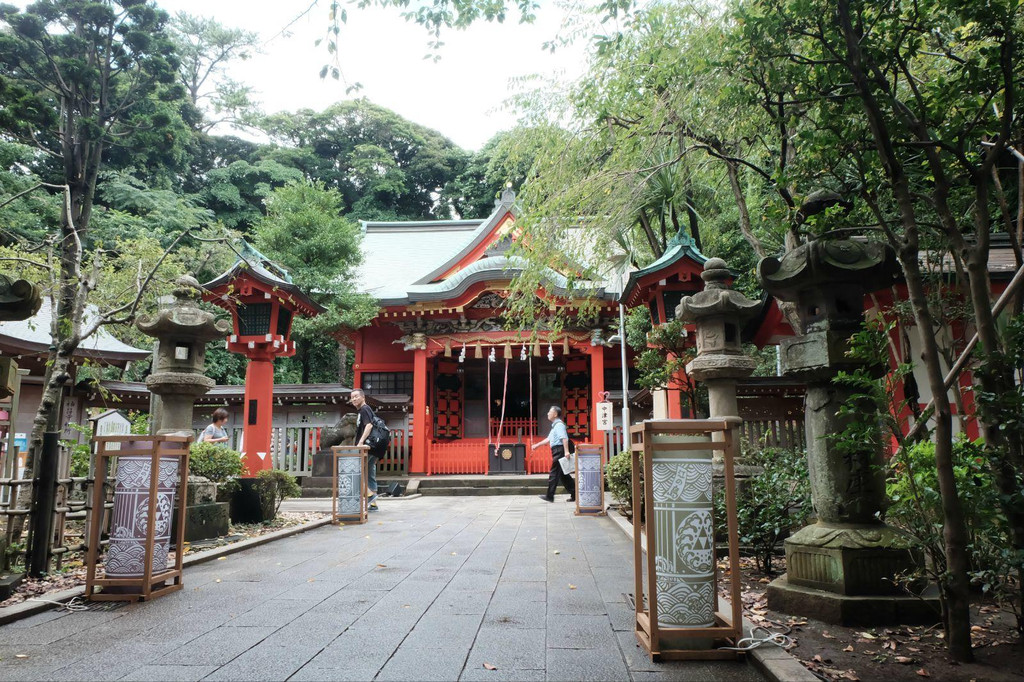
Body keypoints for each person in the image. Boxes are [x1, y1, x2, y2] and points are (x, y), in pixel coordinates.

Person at [532, 405, 575, 503]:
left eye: (549, 412)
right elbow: (548, 439)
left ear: (555, 414)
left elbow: (564, 438)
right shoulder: (555, 426)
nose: (548, 413)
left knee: (554, 473)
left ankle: (550, 496)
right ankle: (575, 494)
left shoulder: (559, 425)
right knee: (563, 475)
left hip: (560, 451)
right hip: (558, 450)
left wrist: (566, 451)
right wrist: (537, 445)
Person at [349, 389, 381, 512]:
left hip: (367, 446)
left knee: (357, 473)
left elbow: (369, 425)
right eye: (352, 397)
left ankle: (370, 496)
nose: (354, 399)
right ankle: (373, 504)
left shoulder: (364, 409)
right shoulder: (364, 410)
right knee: (369, 474)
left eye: (356, 396)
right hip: (373, 447)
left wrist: (361, 441)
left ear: (363, 397)